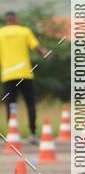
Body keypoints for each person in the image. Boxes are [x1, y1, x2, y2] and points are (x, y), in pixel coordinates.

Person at [0, 10, 50, 143]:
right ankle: (33, 134)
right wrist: (46, 54)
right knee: (30, 103)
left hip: (8, 75)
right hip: (25, 74)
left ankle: (11, 135)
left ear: (6, 20)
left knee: (10, 104)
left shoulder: (0, 33)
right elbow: (37, 47)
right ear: (15, 19)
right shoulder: (24, 31)